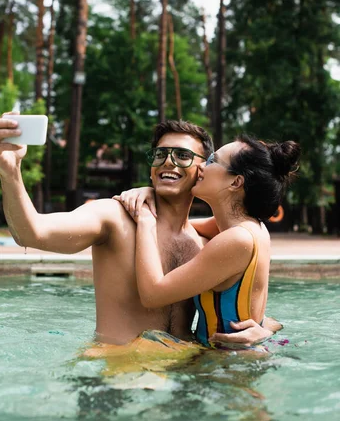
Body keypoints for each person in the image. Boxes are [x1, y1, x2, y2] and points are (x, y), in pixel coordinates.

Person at [0, 114, 277, 347]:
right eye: (160, 154)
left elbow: (242, 305)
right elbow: (32, 232)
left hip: (183, 376)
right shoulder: (114, 217)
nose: (168, 161)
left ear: (202, 170)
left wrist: (263, 332)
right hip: (117, 377)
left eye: (182, 155)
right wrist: (9, 172)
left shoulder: (203, 240)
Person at [125, 135, 300, 347]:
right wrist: (152, 193)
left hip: (226, 369)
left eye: (211, 161)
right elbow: (181, 227)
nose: (200, 167)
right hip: (236, 361)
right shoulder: (252, 228)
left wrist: (144, 217)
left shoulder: (236, 240)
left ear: (236, 182)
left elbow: (152, 295)